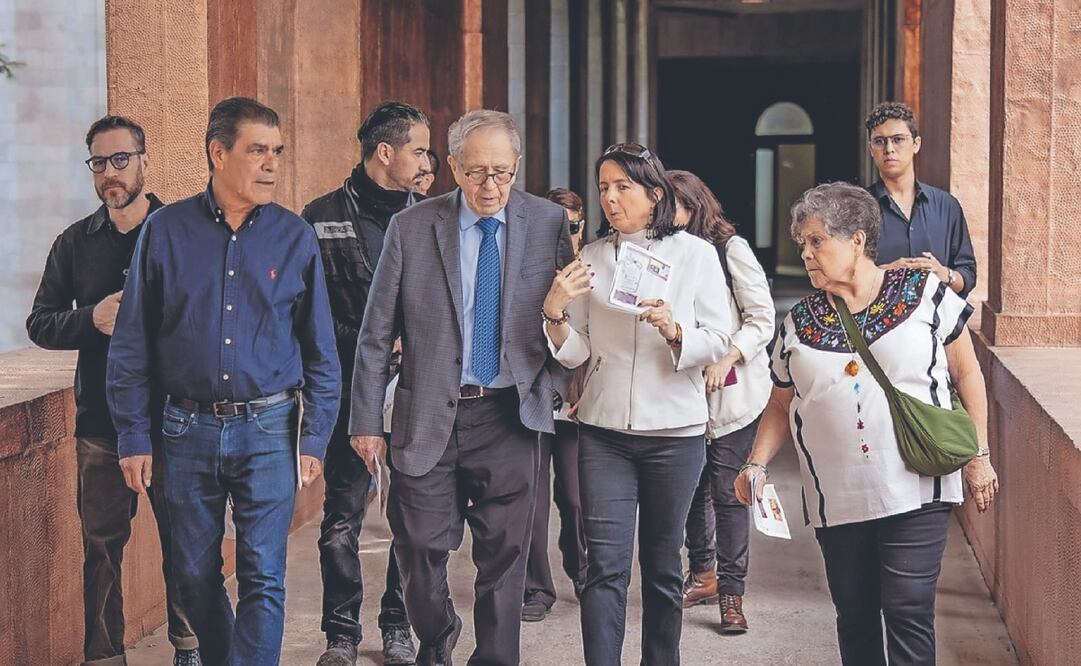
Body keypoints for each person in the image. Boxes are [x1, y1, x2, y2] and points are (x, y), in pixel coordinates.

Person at [106, 97, 341, 666]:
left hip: (270, 428)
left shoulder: (294, 238)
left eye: (277, 152)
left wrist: (314, 441)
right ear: (218, 152)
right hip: (184, 428)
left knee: (263, 573)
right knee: (191, 574)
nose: (271, 165)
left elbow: (322, 352)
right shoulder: (165, 232)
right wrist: (133, 435)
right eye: (257, 150)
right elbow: (132, 339)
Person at [734, 182, 999, 665]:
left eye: (817, 241)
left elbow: (967, 373)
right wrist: (755, 463)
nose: (807, 254)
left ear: (856, 239)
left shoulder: (924, 293)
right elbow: (779, 403)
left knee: (907, 608)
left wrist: (979, 455)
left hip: (917, 486)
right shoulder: (798, 321)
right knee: (853, 615)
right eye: (802, 245)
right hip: (836, 498)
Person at [348, 109, 573, 666]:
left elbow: (574, 315)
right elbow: (377, 332)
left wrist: (557, 385)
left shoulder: (548, 224)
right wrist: (366, 423)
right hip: (427, 413)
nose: (490, 185)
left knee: (506, 557)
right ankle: (438, 630)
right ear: (451, 167)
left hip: (509, 414)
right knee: (418, 544)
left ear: (517, 167)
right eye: (476, 173)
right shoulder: (413, 225)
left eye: (501, 171)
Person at [543, 143, 732, 665]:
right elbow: (577, 348)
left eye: (622, 186)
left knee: (663, 567)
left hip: (675, 435)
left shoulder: (695, 255)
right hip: (603, 434)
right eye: (603, 187)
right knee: (602, 567)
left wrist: (677, 331)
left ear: (654, 194)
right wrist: (555, 313)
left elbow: (720, 338)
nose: (610, 197)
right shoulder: (592, 259)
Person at [26, 116, 199, 666]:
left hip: (176, 420)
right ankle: (104, 657)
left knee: (185, 545)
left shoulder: (185, 231)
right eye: (98, 163)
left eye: (120, 160)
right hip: (101, 423)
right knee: (101, 550)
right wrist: (90, 318)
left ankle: (190, 646)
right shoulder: (73, 243)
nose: (109, 173)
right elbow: (40, 323)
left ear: (145, 161)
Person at [301, 101, 430, 666]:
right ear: (386, 152)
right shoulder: (319, 216)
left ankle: (398, 625)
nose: (427, 160)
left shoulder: (430, 218)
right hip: (348, 392)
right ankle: (341, 633)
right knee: (341, 521)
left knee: (408, 519)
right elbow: (306, 313)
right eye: (420, 149)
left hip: (414, 395)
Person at [667, 170, 774, 633]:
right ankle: (704, 575)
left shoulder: (732, 250)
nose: (662, 215)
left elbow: (762, 317)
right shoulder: (667, 254)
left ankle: (732, 595)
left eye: (670, 205)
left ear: (693, 207)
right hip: (683, 397)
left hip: (734, 397)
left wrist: (727, 354)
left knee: (730, 496)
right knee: (691, 492)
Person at [520, 187, 590, 623]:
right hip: (532, 399)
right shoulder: (527, 270)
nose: (566, 234)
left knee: (578, 497)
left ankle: (583, 572)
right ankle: (536, 589)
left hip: (580, 401)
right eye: (557, 227)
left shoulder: (593, 270)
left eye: (574, 227)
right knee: (531, 500)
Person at [865, 101, 977, 297]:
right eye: (880, 141)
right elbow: (842, 276)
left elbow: (967, 276)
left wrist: (943, 274)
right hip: (878, 325)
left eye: (898, 139)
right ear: (870, 148)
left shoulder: (947, 206)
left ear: (916, 144)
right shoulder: (858, 208)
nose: (889, 149)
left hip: (936, 325)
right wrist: (883, 274)